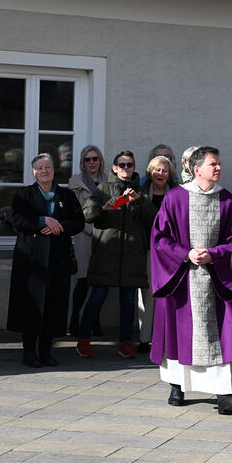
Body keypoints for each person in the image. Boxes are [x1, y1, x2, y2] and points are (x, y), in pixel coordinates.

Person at [150, 146, 232, 413]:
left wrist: (214, 255)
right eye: (213, 164)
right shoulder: (175, 198)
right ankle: (177, 385)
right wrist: (186, 254)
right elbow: (160, 238)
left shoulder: (227, 201)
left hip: (216, 279)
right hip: (182, 279)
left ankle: (224, 393)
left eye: (219, 163)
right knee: (180, 333)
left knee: (224, 332)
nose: (219, 168)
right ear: (196, 169)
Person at [7, 153, 85, 367]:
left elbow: (79, 222)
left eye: (48, 167)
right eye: (39, 168)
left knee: (53, 305)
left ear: (54, 170)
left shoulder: (66, 195)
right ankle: (29, 352)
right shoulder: (24, 194)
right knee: (31, 306)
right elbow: (17, 220)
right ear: (33, 172)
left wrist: (59, 226)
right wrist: (43, 220)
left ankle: (46, 352)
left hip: (58, 260)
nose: (44, 171)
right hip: (31, 260)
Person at [78, 150, 157, 358]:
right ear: (114, 168)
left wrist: (139, 201)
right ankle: (83, 339)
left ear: (134, 167)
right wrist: (104, 208)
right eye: (122, 165)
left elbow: (154, 219)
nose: (126, 168)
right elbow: (87, 214)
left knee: (128, 301)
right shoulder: (103, 189)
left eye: (129, 164)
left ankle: (125, 343)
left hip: (132, 255)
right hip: (106, 253)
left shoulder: (141, 191)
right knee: (97, 297)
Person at [137, 155, 176, 354]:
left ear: (170, 174)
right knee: (147, 293)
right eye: (157, 169)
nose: (160, 174)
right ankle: (144, 338)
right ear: (150, 172)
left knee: (168, 292)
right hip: (147, 248)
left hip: (170, 250)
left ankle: (166, 336)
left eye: (165, 170)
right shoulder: (141, 192)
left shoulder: (176, 193)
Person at [68, 145, 105, 337]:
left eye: (95, 159)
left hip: (105, 238)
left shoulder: (109, 181)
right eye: (87, 159)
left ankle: (94, 322)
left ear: (100, 160)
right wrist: (90, 228)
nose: (92, 162)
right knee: (82, 282)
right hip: (84, 236)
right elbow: (73, 212)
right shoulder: (75, 182)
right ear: (83, 162)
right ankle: (74, 321)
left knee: (100, 283)